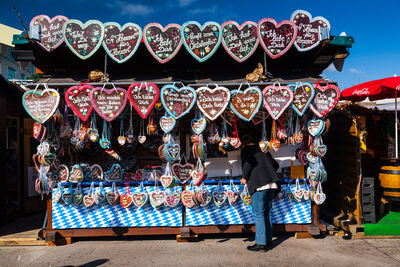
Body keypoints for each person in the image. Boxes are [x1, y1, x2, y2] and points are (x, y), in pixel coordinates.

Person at [241, 135, 280, 252]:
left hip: (259, 185)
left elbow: (248, 163)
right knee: (267, 213)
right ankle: (268, 240)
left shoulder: (247, 150)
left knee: (259, 214)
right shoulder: (264, 150)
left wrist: (244, 177)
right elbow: (276, 165)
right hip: (272, 184)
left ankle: (260, 243)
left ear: (244, 143)